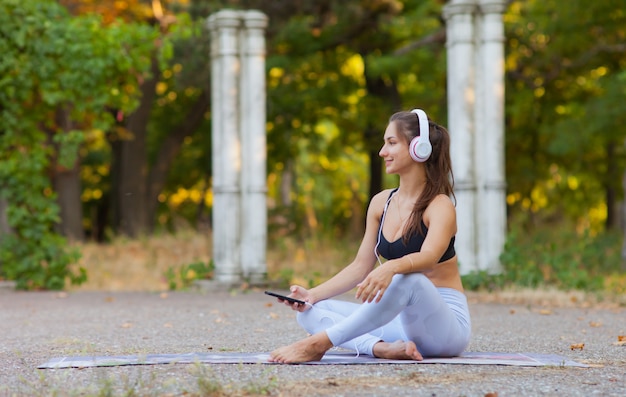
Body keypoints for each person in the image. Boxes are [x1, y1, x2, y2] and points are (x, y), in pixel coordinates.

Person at [268, 108, 471, 363]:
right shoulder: (380, 203)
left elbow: (429, 257)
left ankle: (319, 344)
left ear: (419, 148)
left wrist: (391, 268)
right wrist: (312, 295)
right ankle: (380, 349)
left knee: (408, 279)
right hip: (400, 324)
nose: (382, 152)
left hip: (444, 330)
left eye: (391, 143)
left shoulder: (440, 205)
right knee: (310, 312)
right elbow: (360, 267)